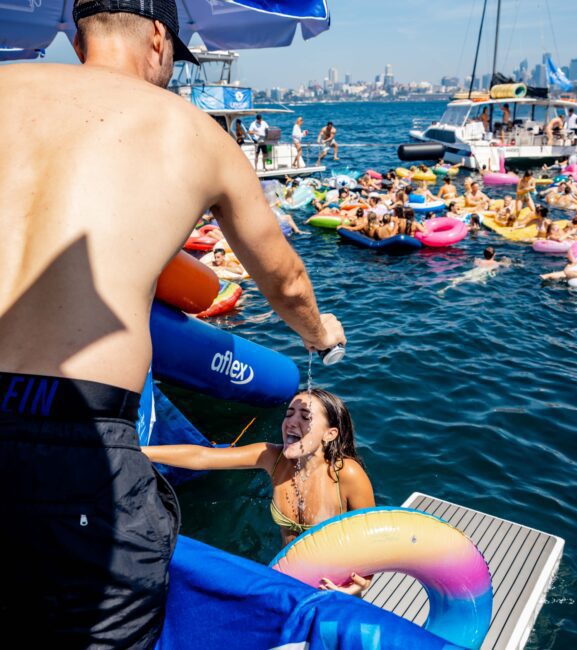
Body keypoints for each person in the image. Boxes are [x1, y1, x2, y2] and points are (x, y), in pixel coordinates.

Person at [0, 0, 346, 645]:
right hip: (77, 431)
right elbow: (287, 280)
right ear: (159, 37)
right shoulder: (190, 129)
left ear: (78, 40)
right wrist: (318, 332)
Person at [143, 389, 375, 594]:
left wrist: (362, 582)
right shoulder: (273, 458)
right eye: (289, 414)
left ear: (330, 434)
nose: (291, 422)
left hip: (335, 588)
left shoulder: (346, 475)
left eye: (305, 417)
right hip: (288, 580)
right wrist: (140, 450)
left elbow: (374, 540)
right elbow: (203, 457)